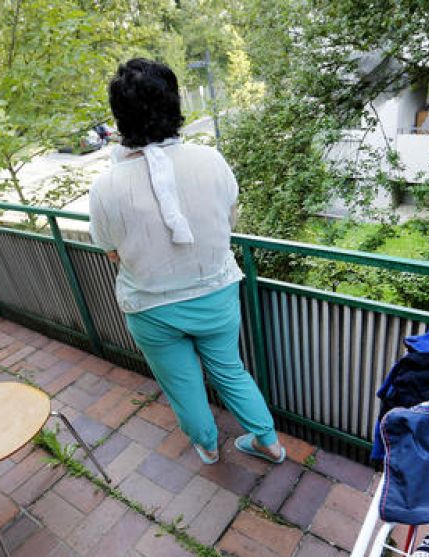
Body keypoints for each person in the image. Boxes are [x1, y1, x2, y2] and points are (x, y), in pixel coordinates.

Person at [89, 58, 285, 465]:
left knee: (183, 385)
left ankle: (209, 447)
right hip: (216, 294)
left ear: (120, 118)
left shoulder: (106, 185)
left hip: (151, 307)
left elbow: (111, 252)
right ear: (175, 105)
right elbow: (227, 222)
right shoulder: (210, 160)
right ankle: (268, 443)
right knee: (231, 371)